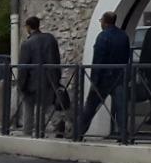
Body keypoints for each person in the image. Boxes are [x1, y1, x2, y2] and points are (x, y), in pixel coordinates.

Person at [76, 11, 130, 141]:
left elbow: (98, 60)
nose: (100, 23)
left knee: (90, 107)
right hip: (119, 77)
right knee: (121, 108)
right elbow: (126, 56)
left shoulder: (102, 37)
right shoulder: (124, 36)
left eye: (101, 21)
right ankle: (123, 135)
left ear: (105, 22)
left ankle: (78, 134)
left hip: (103, 79)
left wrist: (94, 81)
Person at [16, 16, 66, 138]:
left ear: (28, 27)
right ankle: (51, 126)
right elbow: (56, 60)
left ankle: (28, 134)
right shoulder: (50, 39)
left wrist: (21, 85)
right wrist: (57, 79)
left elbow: (23, 67)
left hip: (32, 82)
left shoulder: (27, 44)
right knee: (46, 106)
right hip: (50, 80)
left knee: (29, 109)